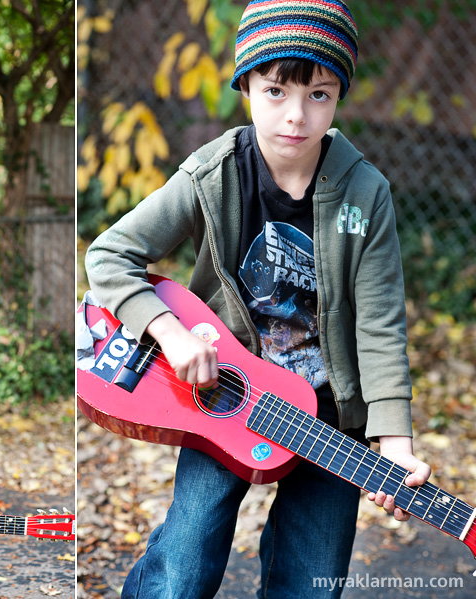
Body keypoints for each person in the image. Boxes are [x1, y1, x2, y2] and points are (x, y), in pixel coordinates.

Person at [83, 1, 432, 597]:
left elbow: (379, 326)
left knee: (311, 581)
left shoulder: (366, 192)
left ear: (340, 96)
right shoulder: (213, 173)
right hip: (221, 394)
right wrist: (170, 331)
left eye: (320, 95)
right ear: (246, 84)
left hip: (328, 415)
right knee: (183, 568)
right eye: (275, 90)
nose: (296, 116)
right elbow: (108, 256)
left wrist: (393, 443)